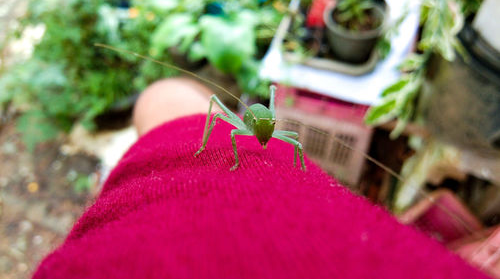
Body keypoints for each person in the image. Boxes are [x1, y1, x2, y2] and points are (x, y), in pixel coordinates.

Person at [32, 78, 488, 278]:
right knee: (202, 105)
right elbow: (244, 134)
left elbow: (286, 145)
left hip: (253, 149)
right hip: (254, 139)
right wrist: (238, 154)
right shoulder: (245, 128)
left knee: (168, 98)